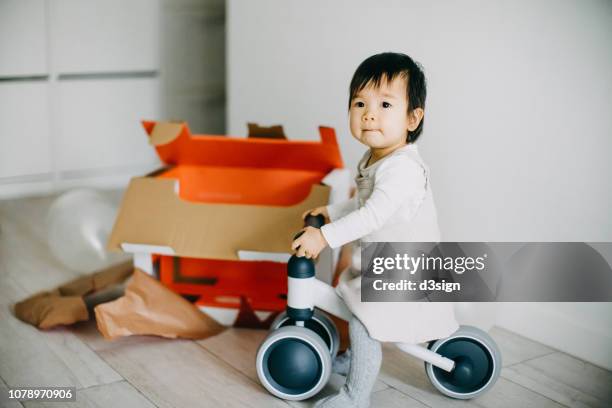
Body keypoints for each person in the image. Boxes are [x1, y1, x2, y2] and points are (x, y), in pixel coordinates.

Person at [291, 52, 458, 408]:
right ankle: (354, 359)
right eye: (360, 103)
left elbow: (373, 216)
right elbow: (363, 205)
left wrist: (324, 235)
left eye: (385, 104)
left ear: (413, 118)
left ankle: (354, 397)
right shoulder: (374, 159)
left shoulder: (403, 169)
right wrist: (331, 211)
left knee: (366, 322)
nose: (369, 113)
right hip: (383, 264)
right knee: (353, 301)